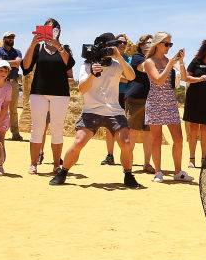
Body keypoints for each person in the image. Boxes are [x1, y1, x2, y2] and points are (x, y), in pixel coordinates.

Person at [49, 33, 139, 188]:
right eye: (111, 45)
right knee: (78, 142)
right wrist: (92, 75)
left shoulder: (117, 65)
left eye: (115, 45)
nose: (114, 48)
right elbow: (82, 89)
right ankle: (63, 172)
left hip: (114, 111)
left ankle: (128, 174)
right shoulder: (87, 65)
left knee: (125, 143)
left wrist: (120, 58)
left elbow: (131, 76)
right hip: (91, 110)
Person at [22, 18, 74, 175]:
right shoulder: (37, 48)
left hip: (60, 93)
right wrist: (32, 43)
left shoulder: (64, 48)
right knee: (37, 128)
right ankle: (33, 164)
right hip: (39, 92)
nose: (50, 31)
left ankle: (56, 165)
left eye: (53, 28)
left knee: (57, 129)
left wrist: (58, 46)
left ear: (58, 31)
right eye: (47, 29)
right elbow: (25, 66)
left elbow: (68, 64)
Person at [143, 32, 193, 182]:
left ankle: (178, 171)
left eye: (170, 44)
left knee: (178, 138)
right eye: (166, 44)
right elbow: (158, 80)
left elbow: (184, 78)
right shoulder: (149, 62)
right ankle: (158, 172)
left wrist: (181, 62)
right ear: (157, 44)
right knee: (156, 139)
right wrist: (170, 65)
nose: (169, 47)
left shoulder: (169, 60)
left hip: (170, 101)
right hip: (155, 101)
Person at [183, 38, 206, 170]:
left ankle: (204, 159)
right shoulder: (196, 61)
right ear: (205, 49)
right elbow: (186, 77)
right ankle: (191, 159)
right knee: (192, 129)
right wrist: (199, 79)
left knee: (205, 130)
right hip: (193, 98)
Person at [124, 34, 155, 173]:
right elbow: (144, 68)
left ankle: (147, 163)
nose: (150, 44)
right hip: (136, 99)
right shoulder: (137, 57)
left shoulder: (154, 59)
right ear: (141, 45)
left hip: (151, 99)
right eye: (147, 42)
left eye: (152, 42)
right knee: (133, 131)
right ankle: (128, 162)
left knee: (148, 133)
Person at [102, 33, 131, 165]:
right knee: (109, 126)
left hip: (125, 95)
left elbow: (130, 77)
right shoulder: (108, 58)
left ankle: (124, 155)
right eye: (119, 42)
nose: (122, 45)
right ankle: (110, 154)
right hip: (111, 95)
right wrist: (122, 77)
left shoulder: (128, 59)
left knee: (125, 127)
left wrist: (120, 77)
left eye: (124, 43)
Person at [0, 32, 24, 141]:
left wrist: (4, 62)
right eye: (9, 38)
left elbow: (18, 63)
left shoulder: (17, 51)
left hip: (13, 83)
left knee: (13, 109)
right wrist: (11, 62)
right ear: (4, 39)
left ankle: (15, 133)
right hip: (2, 82)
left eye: (12, 38)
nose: (11, 39)